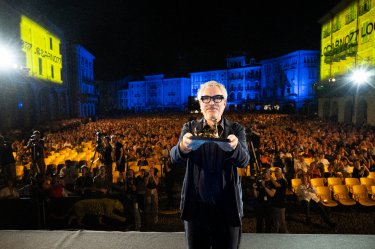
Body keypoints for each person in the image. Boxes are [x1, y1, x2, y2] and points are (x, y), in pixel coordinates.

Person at [170, 81, 250, 249]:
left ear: (225, 102)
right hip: (196, 208)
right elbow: (174, 157)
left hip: (228, 208)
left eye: (217, 98)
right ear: (200, 103)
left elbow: (244, 161)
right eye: (206, 98)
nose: (211, 102)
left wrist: (233, 148)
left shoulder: (236, 129)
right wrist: (184, 147)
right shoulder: (190, 127)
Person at [252, 168, 276, 233]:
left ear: (270, 174)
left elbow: (272, 194)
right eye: (264, 173)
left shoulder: (272, 183)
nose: (265, 174)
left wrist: (264, 186)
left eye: (266, 173)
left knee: (268, 222)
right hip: (260, 205)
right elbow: (256, 195)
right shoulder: (259, 182)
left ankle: (267, 237)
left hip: (268, 205)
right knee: (259, 222)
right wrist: (254, 189)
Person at [270, 167, 289, 233]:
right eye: (275, 172)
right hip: (274, 203)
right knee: (275, 221)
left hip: (281, 204)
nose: (276, 173)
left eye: (278, 172)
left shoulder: (284, 181)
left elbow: (277, 185)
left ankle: (286, 235)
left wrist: (270, 176)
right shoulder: (275, 181)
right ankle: (276, 234)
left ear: (281, 173)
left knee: (282, 222)